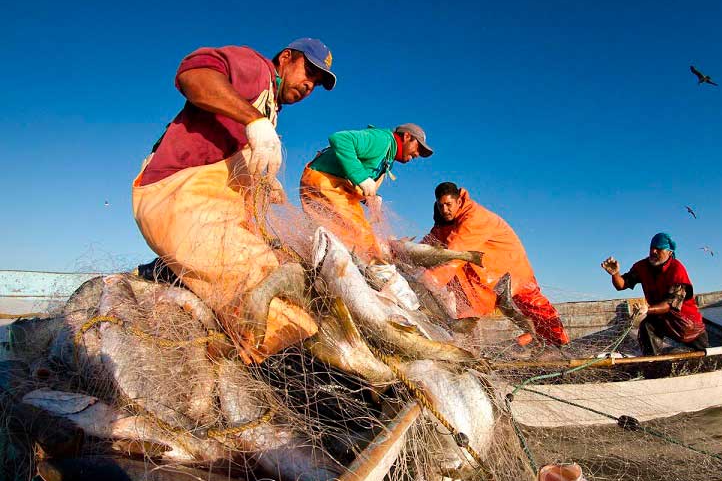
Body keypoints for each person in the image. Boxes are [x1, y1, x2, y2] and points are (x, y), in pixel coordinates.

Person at [132, 38, 337, 363]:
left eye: (317, 82)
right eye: (308, 71)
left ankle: (168, 275)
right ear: (286, 58)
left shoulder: (270, 109)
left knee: (284, 276)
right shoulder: (256, 69)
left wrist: (264, 184)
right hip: (179, 196)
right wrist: (253, 121)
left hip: (211, 208)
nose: (310, 84)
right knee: (275, 308)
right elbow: (193, 74)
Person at [421, 182, 569, 346]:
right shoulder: (446, 222)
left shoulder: (474, 217)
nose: (445, 210)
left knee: (533, 305)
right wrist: (398, 251)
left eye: (448, 204)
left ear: (458, 202)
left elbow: (456, 252)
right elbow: (430, 244)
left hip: (511, 268)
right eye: (441, 206)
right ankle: (533, 339)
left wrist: (430, 280)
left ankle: (559, 344)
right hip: (488, 277)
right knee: (491, 310)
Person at [300, 123, 433, 261]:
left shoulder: (388, 157)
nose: (418, 155)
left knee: (361, 237)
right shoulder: (381, 140)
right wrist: (362, 178)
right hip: (323, 180)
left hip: (339, 188)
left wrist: (370, 198)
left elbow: (356, 179)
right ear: (406, 136)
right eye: (419, 148)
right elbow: (340, 138)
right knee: (362, 237)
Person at [601, 232, 708, 356]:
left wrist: (647, 309)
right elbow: (622, 285)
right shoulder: (642, 267)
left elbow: (671, 304)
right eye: (652, 248)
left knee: (703, 355)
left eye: (659, 249)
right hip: (661, 318)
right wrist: (615, 273)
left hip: (686, 324)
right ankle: (652, 361)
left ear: (670, 252)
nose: (654, 251)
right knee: (647, 325)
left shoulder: (677, 270)